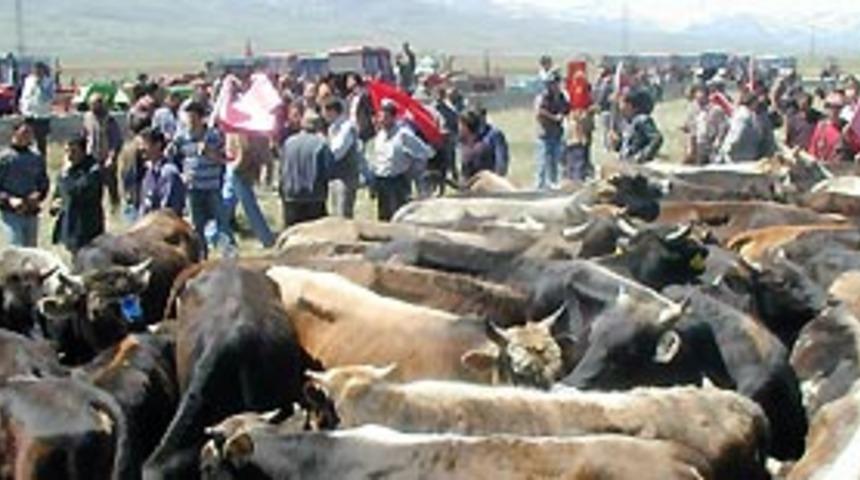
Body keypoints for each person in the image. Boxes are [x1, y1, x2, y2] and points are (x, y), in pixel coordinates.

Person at [173, 102, 235, 257]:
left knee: (222, 224)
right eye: (189, 118)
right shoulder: (182, 138)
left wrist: (209, 152)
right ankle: (202, 256)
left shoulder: (214, 136)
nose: (191, 122)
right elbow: (173, 158)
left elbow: (224, 159)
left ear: (201, 119)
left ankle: (229, 254)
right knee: (196, 226)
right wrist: (181, 174)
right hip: (193, 188)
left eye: (194, 118)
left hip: (212, 187)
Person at [367, 99, 435, 221]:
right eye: (380, 116)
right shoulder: (379, 136)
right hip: (382, 181)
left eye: (385, 117)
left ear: (393, 117)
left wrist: (413, 169)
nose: (381, 120)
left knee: (399, 217)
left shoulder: (404, 135)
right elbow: (376, 159)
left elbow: (425, 153)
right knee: (384, 217)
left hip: (397, 182)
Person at [280, 110, 335, 227]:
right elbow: (329, 171)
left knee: (292, 234)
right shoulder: (321, 144)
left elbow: (282, 169)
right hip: (314, 196)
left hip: (291, 195)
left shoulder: (288, 142)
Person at [50, 135, 104, 254]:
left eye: (74, 151)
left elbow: (76, 192)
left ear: (83, 151)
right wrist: (55, 204)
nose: (69, 156)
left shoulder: (93, 170)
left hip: (86, 230)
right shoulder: (67, 171)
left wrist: (66, 175)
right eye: (67, 151)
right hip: (68, 227)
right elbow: (59, 193)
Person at [223, 132, 276, 248]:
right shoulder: (257, 131)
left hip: (238, 170)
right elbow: (266, 156)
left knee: (249, 206)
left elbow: (244, 151)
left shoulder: (241, 130)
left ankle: (267, 239)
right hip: (243, 168)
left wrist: (234, 167)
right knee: (226, 203)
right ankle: (213, 234)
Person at [0, 121, 49, 246]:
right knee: (16, 249)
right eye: (24, 132)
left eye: (29, 133)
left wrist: (39, 195)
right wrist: (9, 199)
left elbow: (43, 182)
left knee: (31, 252)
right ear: (15, 133)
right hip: (11, 213)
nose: (27, 136)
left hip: (31, 212)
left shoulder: (36, 157)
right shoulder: (4, 158)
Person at [82, 94, 124, 212]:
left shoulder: (109, 119)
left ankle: (115, 209)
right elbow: (84, 136)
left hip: (106, 159)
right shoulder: (87, 117)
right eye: (91, 104)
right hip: (92, 158)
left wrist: (112, 157)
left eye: (95, 104)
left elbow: (116, 140)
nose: (92, 107)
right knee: (93, 187)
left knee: (111, 186)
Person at [322, 97, 361, 218]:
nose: (323, 115)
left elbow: (337, 152)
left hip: (346, 177)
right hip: (335, 176)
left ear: (332, 111)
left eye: (325, 111)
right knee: (335, 211)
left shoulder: (347, 128)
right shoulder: (332, 128)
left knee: (343, 212)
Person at [534, 70, 569, 189]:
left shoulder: (561, 96)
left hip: (557, 134)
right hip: (545, 134)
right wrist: (554, 117)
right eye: (551, 83)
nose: (554, 86)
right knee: (543, 163)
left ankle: (553, 185)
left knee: (555, 162)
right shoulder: (544, 97)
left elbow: (566, 108)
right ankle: (540, 187)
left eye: (555, 83)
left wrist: (563, 115)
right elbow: (539, 112)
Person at [139, 128, 185, 217]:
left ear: (158, 145)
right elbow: (144, 205)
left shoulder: (169, 173)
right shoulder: (149, 173)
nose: (141, 148)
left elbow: (169, 209)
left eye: (145, 144)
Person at [18, 62, 54, 158]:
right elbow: (25, 95)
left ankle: (41, 163)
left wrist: (40, 85)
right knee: (26, 139)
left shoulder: (49, 82)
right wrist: (22, 107)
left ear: (43, 70)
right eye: (35, 70)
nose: (37, 72)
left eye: (39, 70)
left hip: (42, 116)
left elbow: (48, 97)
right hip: (28, 115)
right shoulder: (28, 80)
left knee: (41, 142)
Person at [617, 89, 663, 164]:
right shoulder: (628, 123)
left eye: (622, 103)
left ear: (629, 105)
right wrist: (617, 143)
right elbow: (629, 144)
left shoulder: (642, 120)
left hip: (637, 168)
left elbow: (657, 138)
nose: (619, 107)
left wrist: (642, 156)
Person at [718, 89, 761, 163]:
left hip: (744, 153)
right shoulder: (744, 116)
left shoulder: (746, 114)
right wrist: (731, 147)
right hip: (737, 154)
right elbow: (738, 132)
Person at [808, 91, 849, 164]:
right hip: (824, 169)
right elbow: (813, 151)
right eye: (829, 106)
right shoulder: (821, 127)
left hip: (844, 169)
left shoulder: (847, 127)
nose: (833, 110)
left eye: (837, 107)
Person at [458, 109, 495, 180]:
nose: (459, 129)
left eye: (460, 125)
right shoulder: (465, 146)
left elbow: (482, 176)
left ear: (466, 127)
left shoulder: (481, 149)